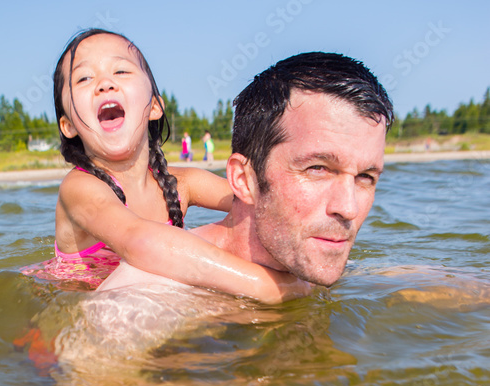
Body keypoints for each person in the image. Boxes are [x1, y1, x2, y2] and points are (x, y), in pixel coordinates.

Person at [20, 29, 297, 302]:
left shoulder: (182, 183)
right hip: (79, 318)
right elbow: (140, 242)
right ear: (68, 126)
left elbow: (259, 201)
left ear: (154, 106)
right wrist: (264, 285)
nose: (105, 84)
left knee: (244, 221)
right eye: (84, 78)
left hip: (145, 304)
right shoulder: (79, 188)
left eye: (121, 72)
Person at [99, 52, 393, 298]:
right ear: (243, 180)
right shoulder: (149, 299)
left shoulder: (303, 258)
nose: (349, 208)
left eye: (366, 177)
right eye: (318, 169)